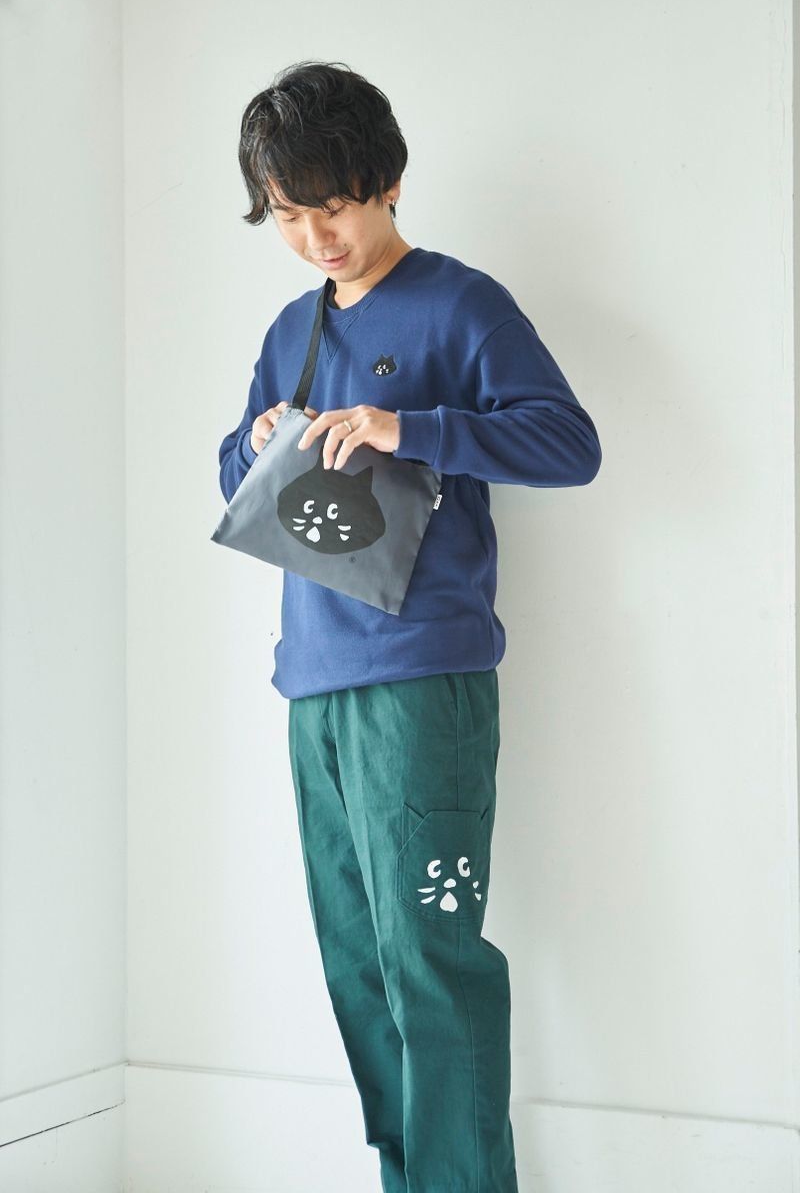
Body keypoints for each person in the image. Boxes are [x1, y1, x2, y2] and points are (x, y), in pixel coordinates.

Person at [218, 59, 602, 1193]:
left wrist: (411, 426)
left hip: (423, 678)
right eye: (288, 216)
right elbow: (233, 474)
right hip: (313, 685)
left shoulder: (460, 304)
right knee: (359, 970)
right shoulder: (290, 328)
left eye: (332, 206)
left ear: (386, 181)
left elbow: (568, 444)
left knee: (431, 961)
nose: (315, 238)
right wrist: (257, 440)